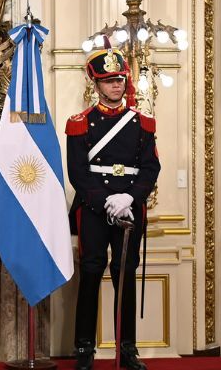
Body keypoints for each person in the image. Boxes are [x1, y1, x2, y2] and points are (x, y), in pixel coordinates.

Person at [65, 40, 160, 370]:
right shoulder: (79, 122)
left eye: (119, 79)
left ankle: (127, 348)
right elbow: (77, 172)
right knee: (91, 272)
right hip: (94, 209)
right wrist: (106, 201)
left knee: (125, 274)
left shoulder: (143, 122)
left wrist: (130, 198)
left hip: (130, 208)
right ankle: (84, 348)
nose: (115, 85)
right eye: (108, 81)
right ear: (96, 84)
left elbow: (151, 167)